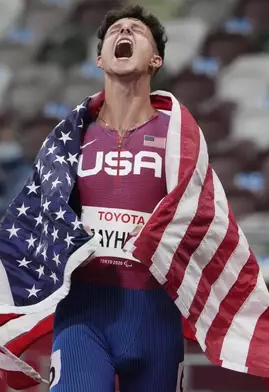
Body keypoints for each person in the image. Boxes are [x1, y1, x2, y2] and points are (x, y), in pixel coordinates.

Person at [50, 6, 184, 391]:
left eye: (137, 30)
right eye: (115, 30)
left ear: (155, 59)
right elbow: (43, 210)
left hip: (154, 311)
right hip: (83, 308)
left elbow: (202, 213)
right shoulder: (71, 134)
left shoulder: (181, 134)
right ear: (100, 58)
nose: (124, 30)